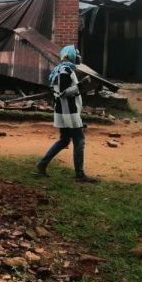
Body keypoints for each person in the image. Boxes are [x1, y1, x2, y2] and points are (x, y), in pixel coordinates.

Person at [35, 45, 98, 183]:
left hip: (63, 111)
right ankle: (80, 175)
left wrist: (79, 86)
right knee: (79, 141)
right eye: (77, 54)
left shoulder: (63, 69)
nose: (79, 56)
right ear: (70, 56)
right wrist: (82, 84)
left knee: (64, 140)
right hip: (69, 112)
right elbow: (64, 92)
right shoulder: (65, 71)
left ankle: (42, 164)